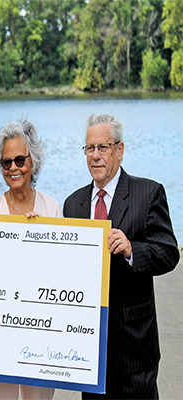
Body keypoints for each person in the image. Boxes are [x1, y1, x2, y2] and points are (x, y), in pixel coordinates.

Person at [63, 113, 179, 399]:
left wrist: (131, 250)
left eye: (103, 147)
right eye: (90, 148)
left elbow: (168, 253)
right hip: (89, 352)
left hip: (134, 349)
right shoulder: (73, 204)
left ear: (120, 149)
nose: (95, 155)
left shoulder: (148, 193)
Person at [0, 119, 61, 400]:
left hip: (40, 338)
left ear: (33, 161)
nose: (13, 168)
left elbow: (62, 276)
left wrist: (40, 239)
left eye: (19, 160)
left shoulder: (52, 210)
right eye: (6, 162)